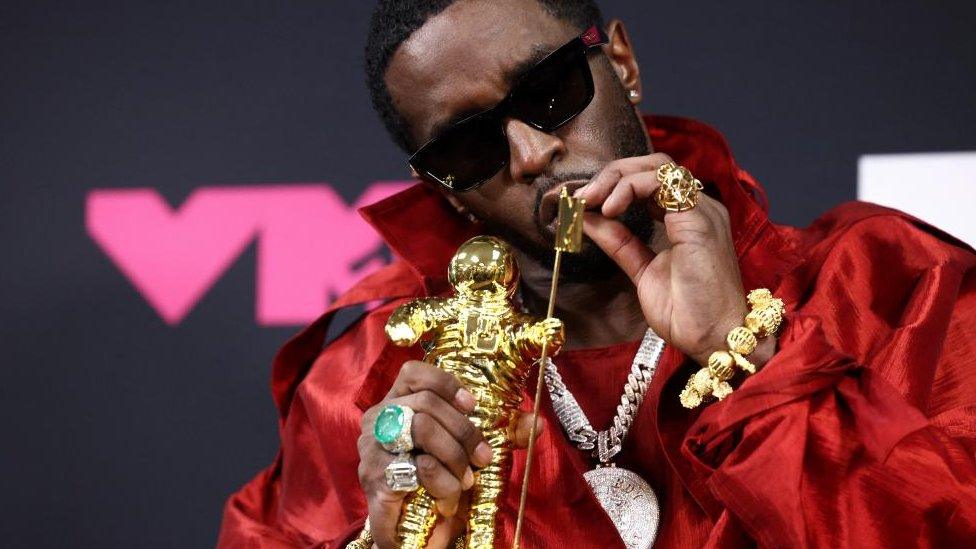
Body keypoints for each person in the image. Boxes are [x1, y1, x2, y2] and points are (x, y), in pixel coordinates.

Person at [218, 0, 976, 547]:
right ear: (444, 189)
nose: (530, 153)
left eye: (549, 92)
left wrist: (740, 351)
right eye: (469, 147)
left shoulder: (893, 286)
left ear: (622, 63)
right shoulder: (368, 383)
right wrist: (393, 540)